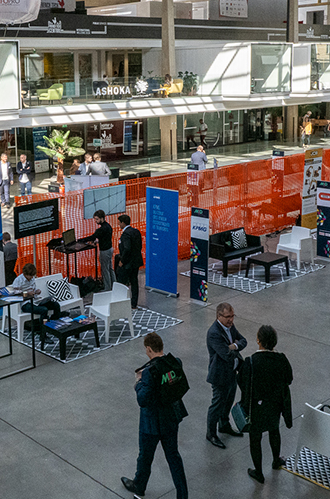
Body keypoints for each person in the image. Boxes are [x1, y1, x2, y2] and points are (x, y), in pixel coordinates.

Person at [121, 332, 189, 499]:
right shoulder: (175, 362)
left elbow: (143, 400)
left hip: (151, 423)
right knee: (174, 457)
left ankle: (139, 486)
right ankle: (182, 494)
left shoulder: (148, 373)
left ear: (149, 349)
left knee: (145, 456)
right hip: (171, 418)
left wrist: (138, 382)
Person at [239, 324, 293, 484]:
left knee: (255, 439)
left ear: (258, 340)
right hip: (275, 405)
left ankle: (259, 472)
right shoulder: (282, 359)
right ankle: (276, 460)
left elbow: (242, 382)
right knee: (274, 431)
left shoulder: (251, 362)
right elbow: (288, 379)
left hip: (256, 407)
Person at [206, 303, 248, 449]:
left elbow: (243, 341)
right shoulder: (214, 333)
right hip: (219, 375)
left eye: (232, 316)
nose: (231, 320)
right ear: (219, 316)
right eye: (228, 317)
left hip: (232, 372)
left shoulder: (230, 327)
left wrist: (234, 346)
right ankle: (211, 433)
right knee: (217, 405)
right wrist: (233, 347)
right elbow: (226, 355)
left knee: (229, 400)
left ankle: (224, 424)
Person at [82, 209, 115, 291]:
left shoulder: (101, 229)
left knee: (105, 270)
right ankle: (114, 285)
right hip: (110, 249)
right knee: (110, 268)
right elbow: (104, 238)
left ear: (102, 218)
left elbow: (92, 237)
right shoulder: (108, 226)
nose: (96, 221)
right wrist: (98, 241)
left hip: (104, 251)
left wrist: (80, 240)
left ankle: (107, 288)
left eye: (97, 219)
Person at [116, 214, 143, 309]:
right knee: (134, 281)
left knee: (121, 282)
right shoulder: (136, 232)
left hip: (128, 263)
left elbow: (127, 249)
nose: (118, 224)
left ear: (123, 223)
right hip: (136, 261)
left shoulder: (126, 235)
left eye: (119, 222)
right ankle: (133, 303)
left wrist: (122, 261)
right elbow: (139, 246)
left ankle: (120, 301)